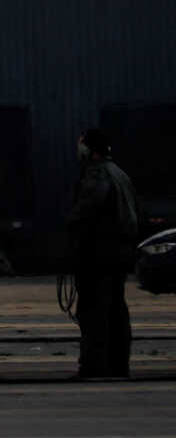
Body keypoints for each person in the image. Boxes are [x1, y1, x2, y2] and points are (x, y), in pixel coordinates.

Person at [68, 127, 139, 380]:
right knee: (116, 309)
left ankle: (94, 366)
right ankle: (119, 365)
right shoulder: (120, 173)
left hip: (98, 255)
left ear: (89, 149)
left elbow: (86, 210)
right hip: (120, 254)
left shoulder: (97, 175)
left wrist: (70, 229)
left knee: (92, 311)